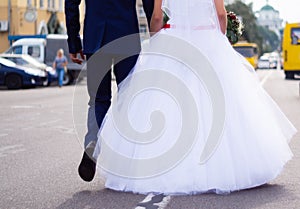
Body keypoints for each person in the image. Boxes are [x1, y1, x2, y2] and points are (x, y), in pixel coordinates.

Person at [93, 0, 297, 195]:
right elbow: (220, 14)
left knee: (169, 103)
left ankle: (160, 165)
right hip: (207, 38)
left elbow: (156, 17)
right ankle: (222, 165)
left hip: (173, 39)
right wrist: (220, 37)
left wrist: (156, 43)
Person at [65, 0, 154, 182]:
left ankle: (92, 143)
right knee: (128, 98)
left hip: (95, 35)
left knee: (98, 100)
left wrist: (74, 42)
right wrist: (155, 34)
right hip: (126, 36)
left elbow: (71, 4)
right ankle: (127, 160)